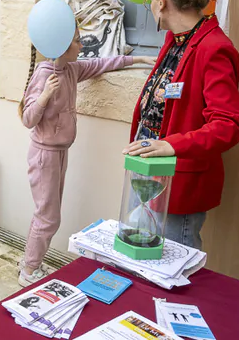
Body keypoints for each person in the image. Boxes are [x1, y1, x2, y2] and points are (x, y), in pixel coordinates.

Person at [123, 0, 239, 250]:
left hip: (179, 185)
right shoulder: (176, 40)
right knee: (139, 259)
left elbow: (228, 125)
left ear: (161, 1)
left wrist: (172, 144)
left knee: (172, 267)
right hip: (146, 172)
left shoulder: (214, 48)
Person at [18, 33, 156, 287]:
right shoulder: (44, 75)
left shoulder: (71, 70)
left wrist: (140, 58)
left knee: (46, 214)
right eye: (77, 40)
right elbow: (28, 118)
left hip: (59, 151)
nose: (82, 46)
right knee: (48, 217)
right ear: (61, 44)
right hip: (44, 156)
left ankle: (30, 261)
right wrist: (45, 95)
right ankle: (29, 269)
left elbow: (102, 64)